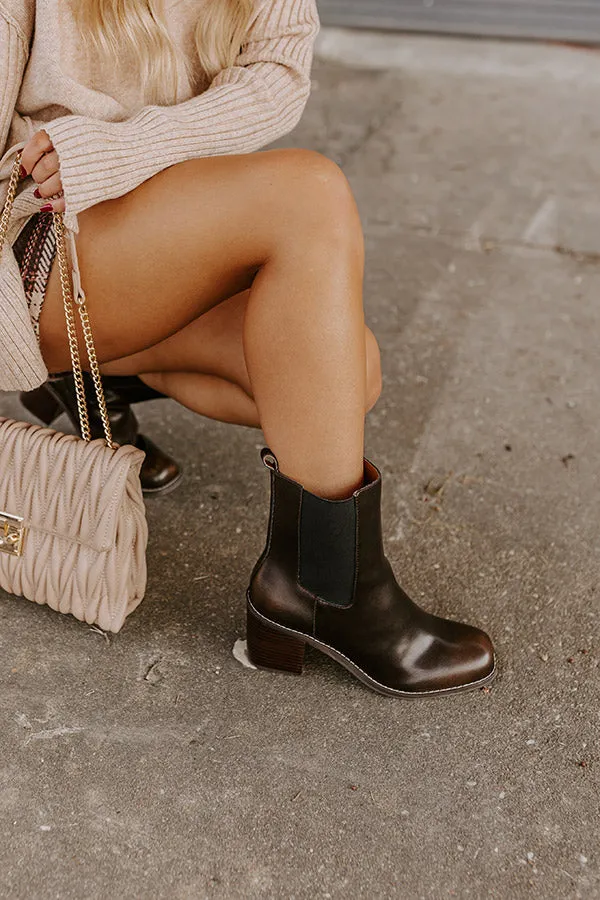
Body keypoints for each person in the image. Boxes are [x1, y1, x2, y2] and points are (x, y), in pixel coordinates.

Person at [0, 0, 496, 697]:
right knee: (307, 195)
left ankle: (104, 364)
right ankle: (325, 592)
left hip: (154, 234)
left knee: (348, 377)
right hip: (36, 245)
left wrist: (134, 146)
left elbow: (276, 71)